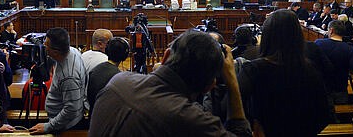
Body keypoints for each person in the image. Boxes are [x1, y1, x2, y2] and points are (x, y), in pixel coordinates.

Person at [89, 30, 252, 137]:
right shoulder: (192, 120)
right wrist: (232, 81)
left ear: (166, 56)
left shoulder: (119, 82)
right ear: (210, 85)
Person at [238, 9, 329, 137]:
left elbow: (233, 109)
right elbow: (324, 114)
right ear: (297, 36)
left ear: (267, 36)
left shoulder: (253, 70)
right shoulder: (310, 70)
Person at [29, 27, 87, 135]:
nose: (44, 48)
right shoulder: (72, 51)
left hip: (65, 127)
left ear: (55, 52)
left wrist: (49, 126)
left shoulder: (69, 77)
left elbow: (71, 110)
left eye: (46, 46)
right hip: (59, 120)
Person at [315, 20, 353, 106]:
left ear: (331, 30)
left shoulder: (319, 43)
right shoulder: (349, 48)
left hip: (321, 91)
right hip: (340, 92)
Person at [88, 37, 130, 113]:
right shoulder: (118, 78)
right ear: (124, 56)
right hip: (107, 119)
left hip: (93, 115)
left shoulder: (96, 69)